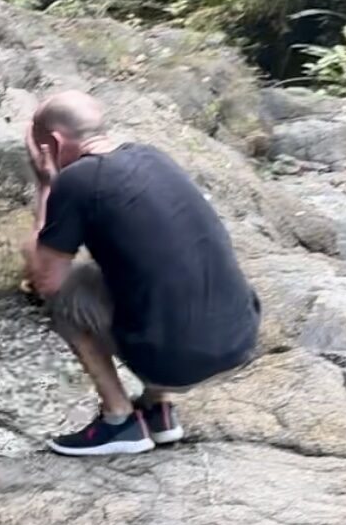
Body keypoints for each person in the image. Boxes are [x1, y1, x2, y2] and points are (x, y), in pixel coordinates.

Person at [19, 90, 260, 457]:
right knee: (130, 265)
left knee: (66, 290)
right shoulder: (151, 155)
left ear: (53, 143)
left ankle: (119, 420)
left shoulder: (77, 181)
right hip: (238, 342)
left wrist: (45, 184)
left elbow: (45, 278)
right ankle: (158, 409)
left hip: (180, 363)